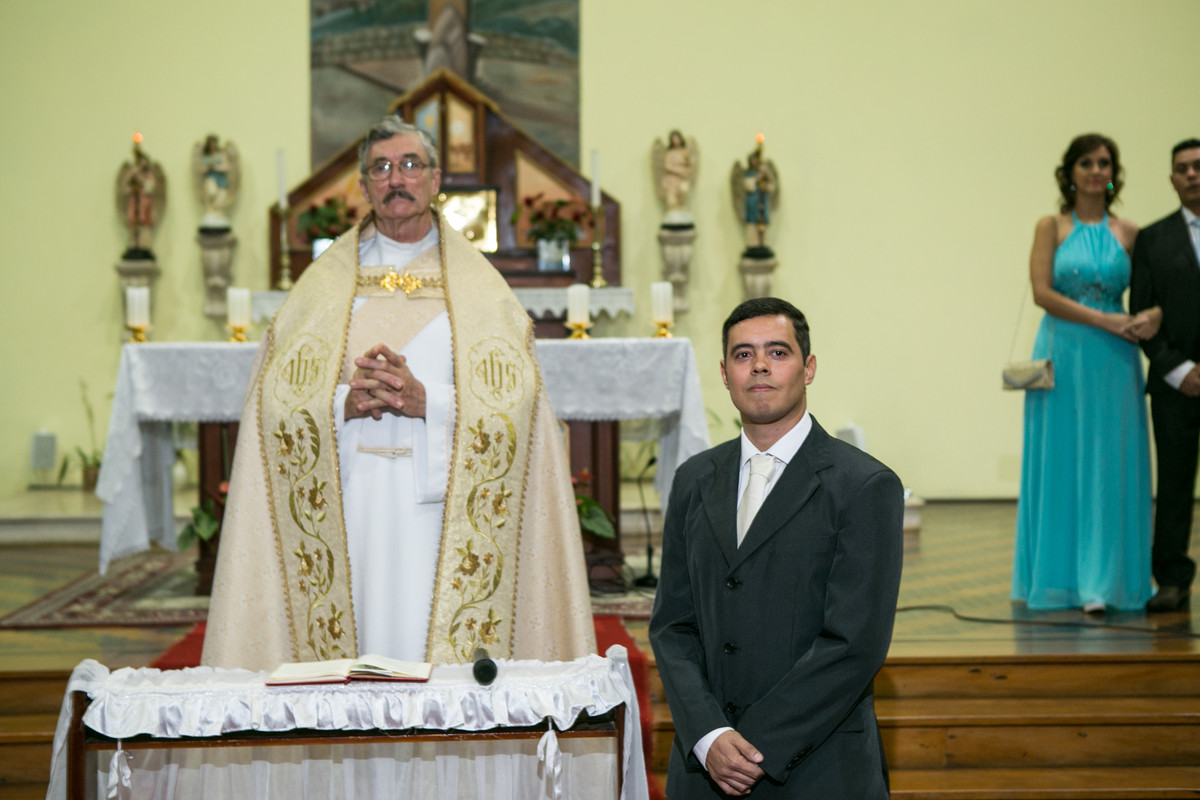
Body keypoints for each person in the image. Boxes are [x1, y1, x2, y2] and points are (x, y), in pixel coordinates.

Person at [203, 116, 595, 670]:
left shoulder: (479, 287)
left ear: (436, 180)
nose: (396, 179)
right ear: (364, 187)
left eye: (410, 165)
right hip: (348, 497)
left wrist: (426, 402)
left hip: (442, 506)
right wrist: (341, 403)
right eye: (381, 168)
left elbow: (518, 401)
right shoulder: (323, 286)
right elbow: (275, 398)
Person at [649, 297, 903, 798]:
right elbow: (672, 625)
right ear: (725, 374)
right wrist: (709, 735)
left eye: (778, 352)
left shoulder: (864, 485)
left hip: (816, 767)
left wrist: (755, 747)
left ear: (808, 368)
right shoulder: (694, 479)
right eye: (743, 354)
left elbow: (855, 644)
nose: (759, 365)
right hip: (705, 770)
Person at [1012, 133, 1160, 614]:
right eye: (1087, 163)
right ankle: (1059, 581)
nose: (1097, 171)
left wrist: (1150, 317)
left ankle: (1106, 581)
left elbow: (1154, 295)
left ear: (1113, 174)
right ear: (1069, 173)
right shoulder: (1050, 226)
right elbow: (1042, 293)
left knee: (1110, 465)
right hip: (1063, 353)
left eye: (1104, 163)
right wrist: (1106, 320)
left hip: (1115, 361)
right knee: (1060, 460)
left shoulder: (1130, 233)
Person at [1130, 138, 1200, 613]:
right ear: (1172, 179)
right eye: (1183, 168)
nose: (1192, 174)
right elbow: (1141, 312)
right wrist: (1180, 369)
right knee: (1174, 485)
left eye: (1198, 166)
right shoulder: (1152, 239)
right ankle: (1172, 578)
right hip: (1176, 385)